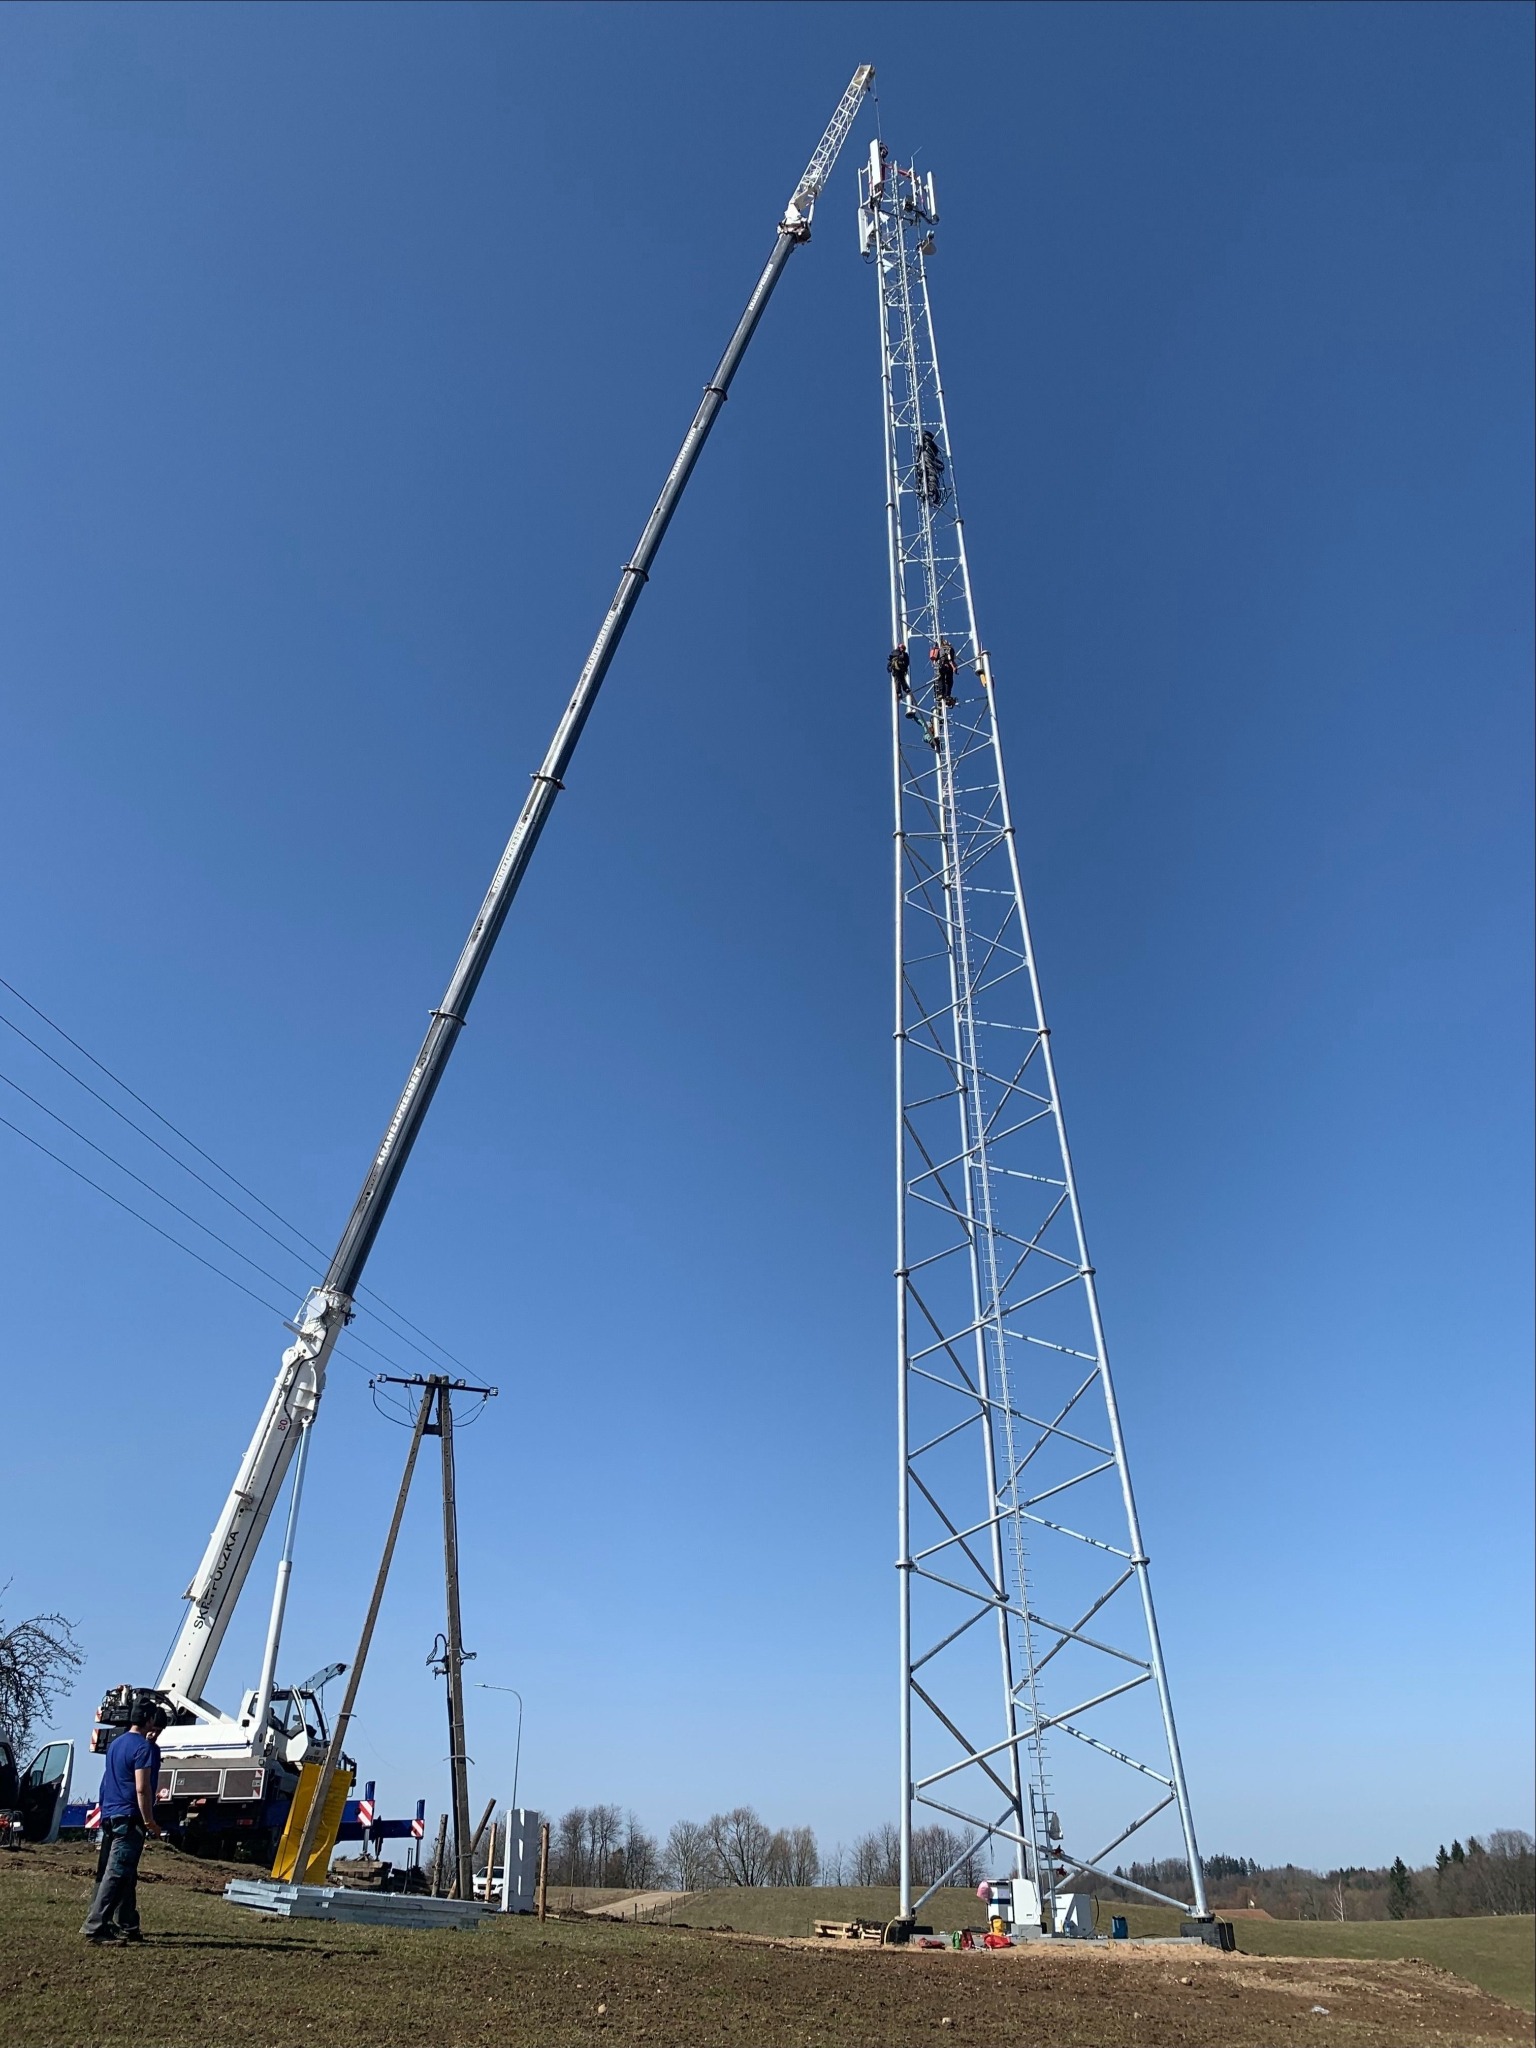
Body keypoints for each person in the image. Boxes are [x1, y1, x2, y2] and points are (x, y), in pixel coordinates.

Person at [81, 1698, 166, 1944]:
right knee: (117, 1874)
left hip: (111, 1813)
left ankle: (128, 1924)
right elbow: (142, 1789)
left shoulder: (116, 1745)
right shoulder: (142, 1748)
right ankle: (96, 1927)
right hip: (129, 1817)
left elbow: (108, 1780)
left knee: (124, 1873)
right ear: (149, 1720)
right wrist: (149, 1820)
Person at [930, 638, 957, 705]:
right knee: (949, 681)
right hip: (947, 665)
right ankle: (946, 695)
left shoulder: (940, 650)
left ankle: (942, 694)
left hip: (941, 665)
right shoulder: (948, 649)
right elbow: (950, 659)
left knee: (941, 679)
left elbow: (935, 660)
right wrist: (954, 667)